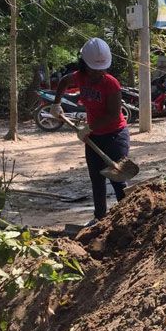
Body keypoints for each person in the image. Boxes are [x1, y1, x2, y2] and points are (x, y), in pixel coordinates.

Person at [49, 38, 128, 225]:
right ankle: (99, 217)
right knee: (97, 178)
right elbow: (63, 81)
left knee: (118, 178)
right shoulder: (80, 77)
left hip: (115, 135)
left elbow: (112, 115)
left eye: (101, 68)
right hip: (93, 136)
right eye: (93, 68)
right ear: (84, 64)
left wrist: (89, 127)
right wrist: (57, 103)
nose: (98, 72)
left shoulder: (111, 84)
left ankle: (127, 220)